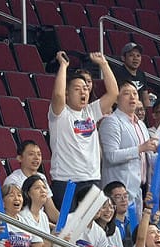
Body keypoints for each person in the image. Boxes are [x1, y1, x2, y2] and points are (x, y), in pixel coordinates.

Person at [48, 51, 118, 208]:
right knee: (68, 223)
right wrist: (63, 66)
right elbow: (58, 95)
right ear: (67, 93)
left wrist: (104, 64)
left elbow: (113, 93)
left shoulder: (91, 111)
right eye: (77, 89)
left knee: (92, 222)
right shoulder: (60, 113)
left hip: (92, 178)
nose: (83, 92)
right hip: (65, 180)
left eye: (86, 88)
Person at [100, 81, 157, 214]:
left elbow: (146, 155)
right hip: (118, 189)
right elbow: (111, 156)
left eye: (135, 93)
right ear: (116, 99)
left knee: (136, 226)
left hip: (139, 188)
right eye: (126, 93)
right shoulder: (111, 121)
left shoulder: (141, 124)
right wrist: (140, 148)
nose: (132, 97)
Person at [3, 140, 59, 222]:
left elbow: (51, 209)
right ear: (20, 158)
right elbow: (12, 212)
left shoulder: (41, 177)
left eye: (39, 154)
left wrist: (67, 225)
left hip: (40, 221)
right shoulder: (13, 180)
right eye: (31, 154)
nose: (36, 158)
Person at [112, 42, 151, 107]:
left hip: (138, 109)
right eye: (131, 55)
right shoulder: (117, 73)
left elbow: (145, 98)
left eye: (138, 55)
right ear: (123, 58)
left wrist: (147, 111)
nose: (135, 58)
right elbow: (115, 97)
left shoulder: (141, 74)